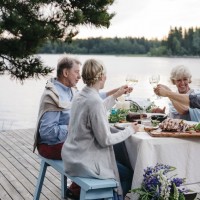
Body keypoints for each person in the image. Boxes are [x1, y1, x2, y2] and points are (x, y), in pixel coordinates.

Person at [61, 58, 139, 199]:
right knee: (128, 175)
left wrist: (116, 95)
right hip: (84, 162)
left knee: (120, 165)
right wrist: (130, 130)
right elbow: (106, 140)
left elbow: (97, 110)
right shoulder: (94, 100)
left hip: (72, 155)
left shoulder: (80, 95)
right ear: (102, 77)